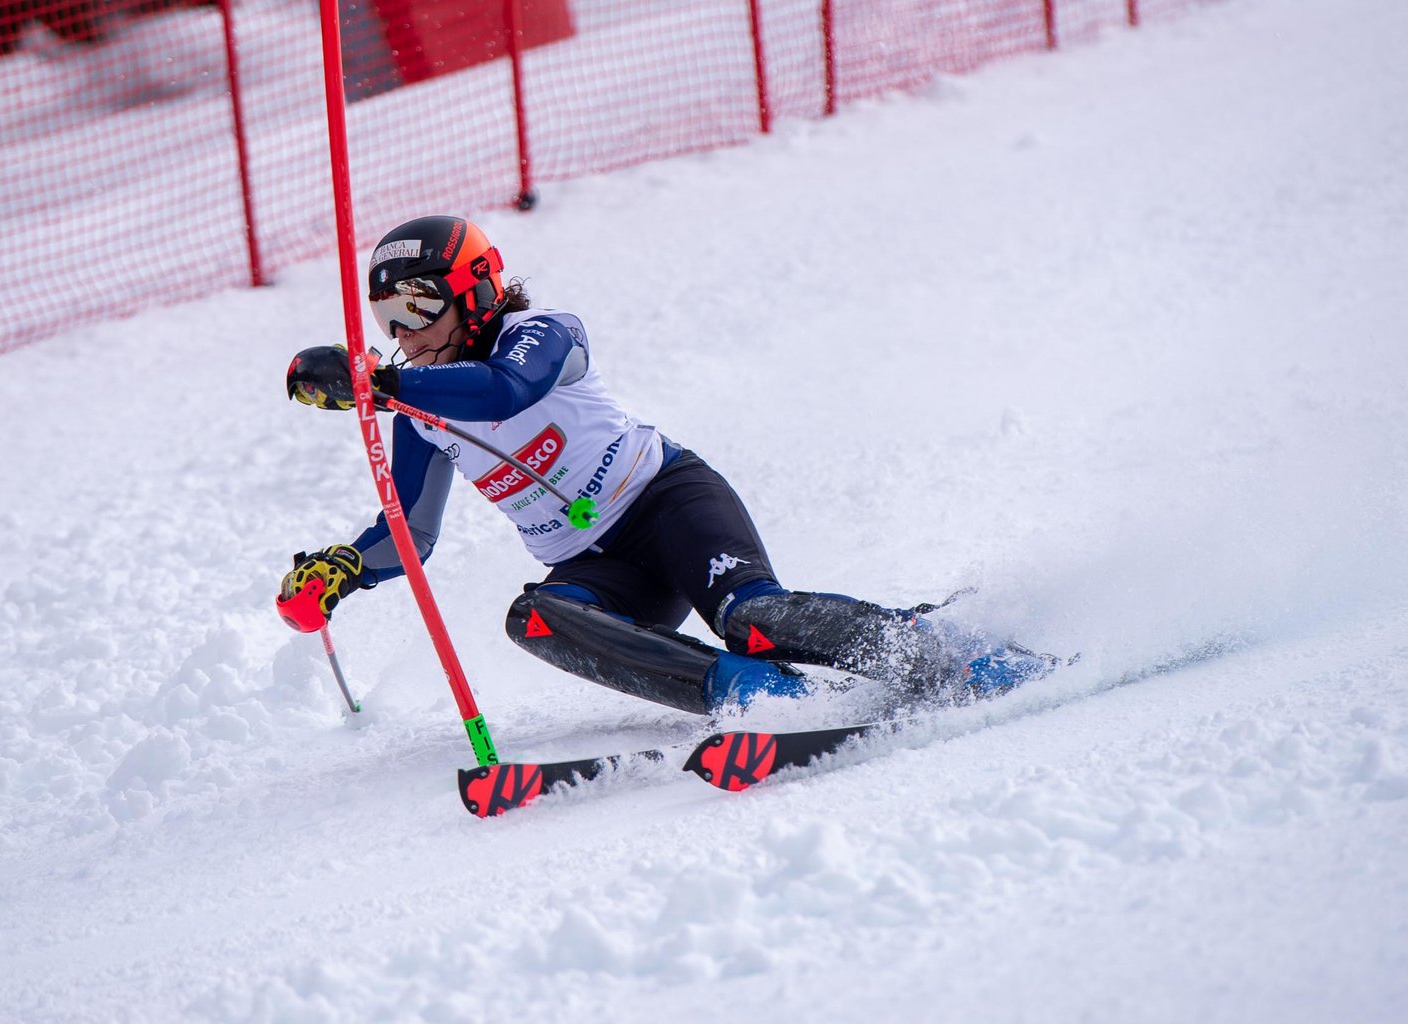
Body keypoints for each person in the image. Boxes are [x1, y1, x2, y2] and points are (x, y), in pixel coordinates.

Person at [279, 215, 1054, 716]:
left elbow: (506, 388)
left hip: (665, 502)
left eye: (417, 309)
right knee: (536, 618)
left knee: (751, 619)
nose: (404, 335)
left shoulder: (543, 332)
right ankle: (756, 696)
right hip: (597, 563)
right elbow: (410, 529)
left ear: (474, 292)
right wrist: (344, 568)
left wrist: (380, 384)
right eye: (387, 322)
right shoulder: (418, 406)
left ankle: (948, 649)